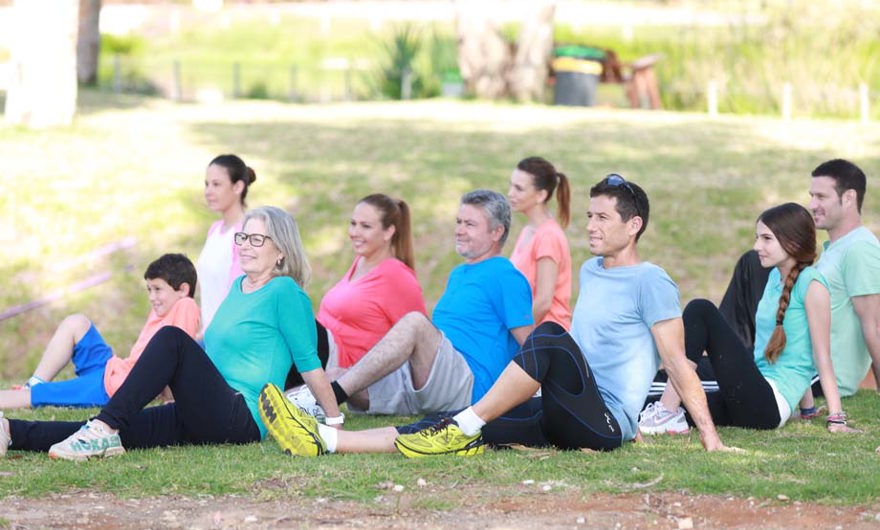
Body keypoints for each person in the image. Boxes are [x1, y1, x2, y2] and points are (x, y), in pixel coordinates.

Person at [257, 175, 732, 458]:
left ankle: (466, 420)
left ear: (634, 226)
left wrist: (709, 438)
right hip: (563, 409)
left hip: (606, 423)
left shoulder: (653, 281)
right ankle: (327, 441)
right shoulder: (593, 269)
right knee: (447, 425)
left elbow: (676, 361)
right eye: (588, 216)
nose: (589, 226)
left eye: (602, 218)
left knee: (547, 336)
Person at [0, 206, 340, 461]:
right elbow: (214, 356)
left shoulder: (286, 293)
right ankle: (12, 431)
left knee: (173, 339)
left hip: (243, 417)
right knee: (120, 426)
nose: (245, 246)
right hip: (207, 406)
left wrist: (335, 420)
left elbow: (309, 363)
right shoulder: (239, 287)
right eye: (242, 237)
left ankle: (102, 430)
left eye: (256, 239)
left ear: (280, 250)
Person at [286, 189, 533, 421]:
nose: (459, 230)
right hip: (430, 379)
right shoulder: (459, 273)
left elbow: (531, 347)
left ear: (497, 232)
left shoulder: (505, 276)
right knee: (339, 374)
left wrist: (523, 400)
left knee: (416, 322)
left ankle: (332, 398)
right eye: (458, 222)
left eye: (470, 224)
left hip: (469, 385)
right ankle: (281, 407)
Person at [639, 203, 857, 435]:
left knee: (700, 310)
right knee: (683, 404)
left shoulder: (813, 286)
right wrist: (807, 409)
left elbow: (820, 356)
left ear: (792, 242)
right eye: (757, 238)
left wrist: (836, 419)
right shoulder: (775, 278)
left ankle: (666, 411)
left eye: (766, 239)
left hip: (767, 405)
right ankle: (667, 412)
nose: (757, 247)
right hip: (752, 395)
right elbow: (789, 347)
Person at [698, 159, 880, 400]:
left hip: (813, 374)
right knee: (754, 264)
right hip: (789, 359)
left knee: (689, 378)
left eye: (821, 197)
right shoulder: (835, 249)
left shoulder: (860, 248)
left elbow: (875, 325)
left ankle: (732, 359)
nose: (812, 204)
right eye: (811, 195)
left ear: (848, 198)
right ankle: (732, 355)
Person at [0, 253, 200, 410]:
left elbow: (175, 358)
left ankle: (26, 393)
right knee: (76, 323)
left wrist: (171, 398)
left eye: (157, 289)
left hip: (113, 388)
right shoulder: (165, 308)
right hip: (113, 370)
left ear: (182, 289)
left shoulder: (186, 305)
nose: (151, 297)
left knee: (44, 394)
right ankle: (32, 383)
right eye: (149, 289)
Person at [285, 194, 426, 414]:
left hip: (343, 363)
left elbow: (417, 339)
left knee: (284, 308)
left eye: (366, 226)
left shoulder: (397, 275)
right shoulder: (360, 262)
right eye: (353, 224)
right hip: (323, 348)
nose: (355, 232)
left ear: (389, 232)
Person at [507, 156, 572, 328]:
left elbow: (544, 301)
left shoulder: (548, 237)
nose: (510, 193)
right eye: (511, 185)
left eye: (519, 189)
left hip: (546, 339)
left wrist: (515, 335)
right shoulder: (528, 231)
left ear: (541, 195)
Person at [197, 154, 256, 339]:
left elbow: (237, 297)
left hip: (227, 339)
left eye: (216, 184)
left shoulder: (245, 234)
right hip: (209, 335)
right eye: (206, 184)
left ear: (238, 186)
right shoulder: (215, 230)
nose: (208, 191)